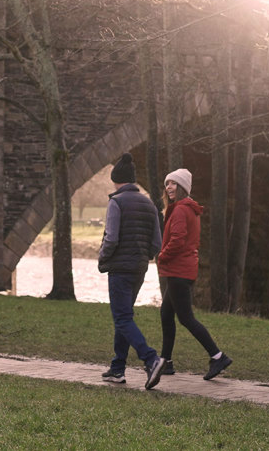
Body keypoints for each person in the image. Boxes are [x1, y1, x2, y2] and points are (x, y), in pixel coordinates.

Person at [98, 153, 166, 390]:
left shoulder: (116, 202)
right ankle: (117, 368)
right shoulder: (150, 204)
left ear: (117, 180)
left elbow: (111, 237)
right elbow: (157, 242)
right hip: (139, 268)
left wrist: (103, 257)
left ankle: (151, 359)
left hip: (119, 268)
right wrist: (143, 257)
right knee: (124, 316)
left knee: (122, 317)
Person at [156, 168, 232, 381]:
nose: (169, 187)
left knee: (186, 318)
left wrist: (162, 256)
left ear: (183, 188)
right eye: (167, 183)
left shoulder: (181, 210)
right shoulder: (186, 208)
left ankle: (218, 356)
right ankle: (166, 362)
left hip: (179, 270)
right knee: (166, 314)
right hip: (182, 270)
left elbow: (178, 240)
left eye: (173, 184)